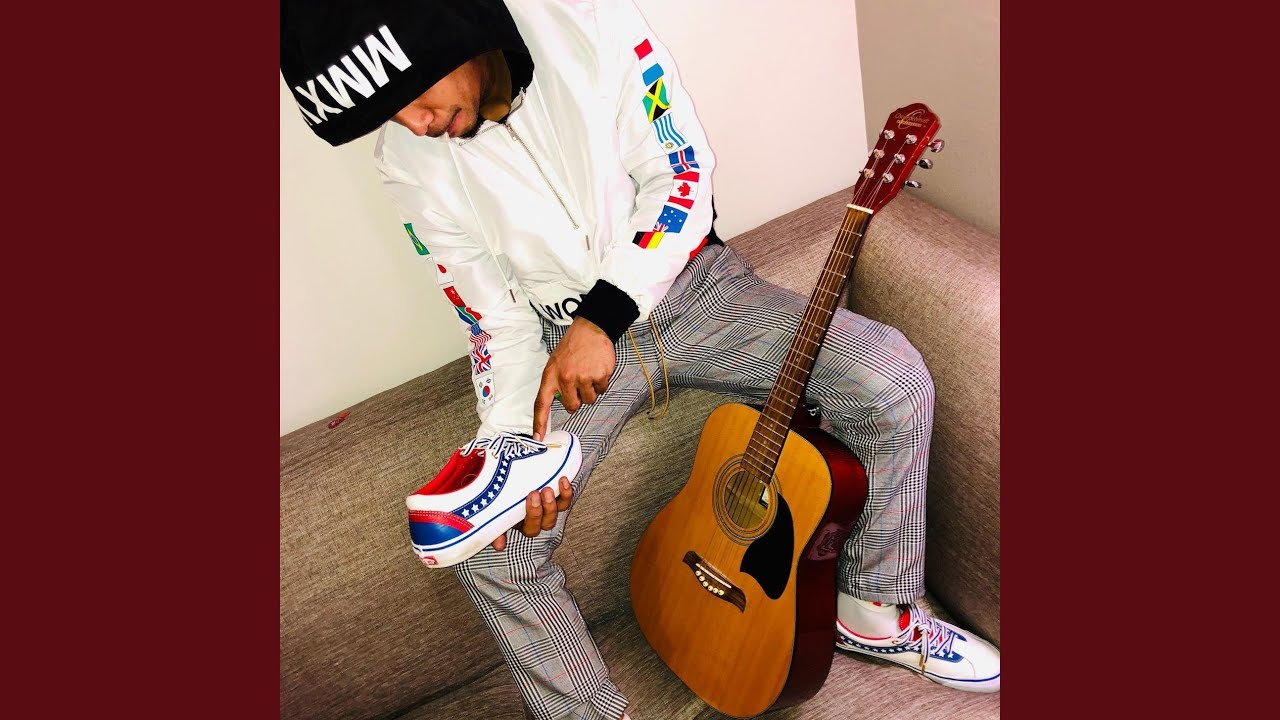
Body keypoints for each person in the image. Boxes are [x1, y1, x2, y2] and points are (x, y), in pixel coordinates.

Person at [280, 1, 1000, 718]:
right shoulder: (406, 162)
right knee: (493, 550)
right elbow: (491, 318)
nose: (414, 125)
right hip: (559, 345)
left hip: (697, 289)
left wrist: (605, 313)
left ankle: (874, 610)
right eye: (387, 115)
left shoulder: (587, 24)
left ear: (454, 32)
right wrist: (511, 448)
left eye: (411, 97)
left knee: (892, 377)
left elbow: (680, 175)